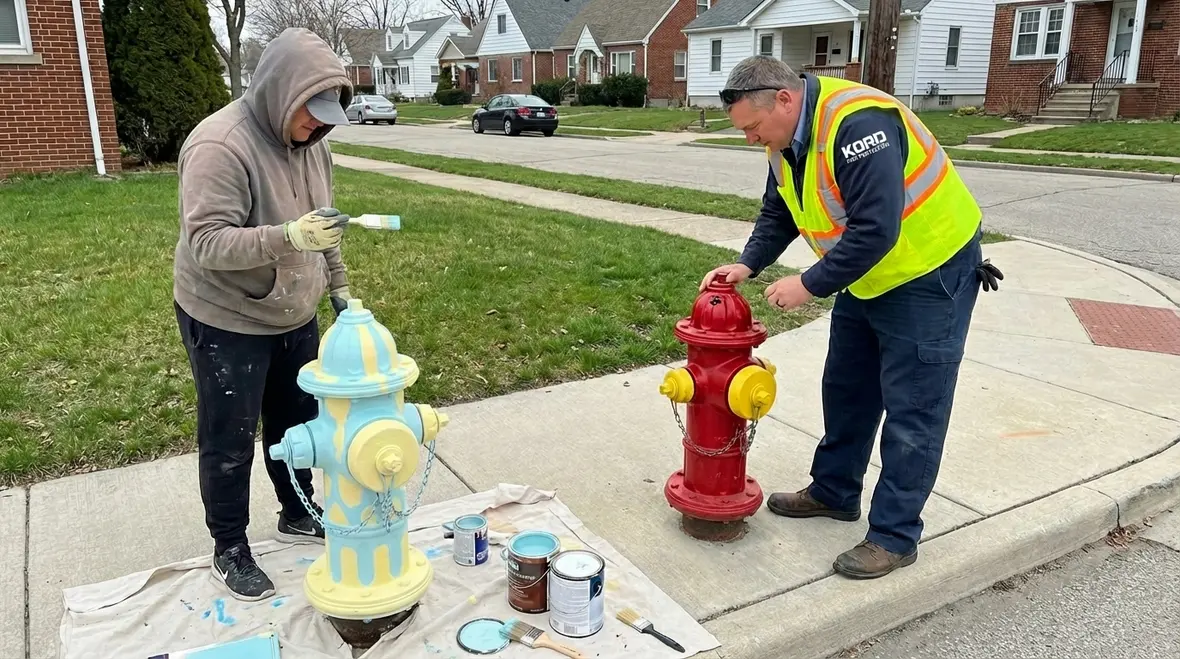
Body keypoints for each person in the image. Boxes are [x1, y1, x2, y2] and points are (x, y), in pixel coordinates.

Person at [701, 56, 1003, 580]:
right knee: (847, 389)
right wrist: (749, 263)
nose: (750, 139)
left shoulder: (859, 124)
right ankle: (835, 491)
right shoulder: (784, 141)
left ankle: (894, 536)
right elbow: (781, 210)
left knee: (915, 412)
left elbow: (876, 228)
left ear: (785, 100)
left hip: (928, 274)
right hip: (866, 275)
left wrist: (809, 283)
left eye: (753, 128)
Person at [172, 27, 358, 601]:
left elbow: (320, 224)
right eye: (312, 112)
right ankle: (229, 547)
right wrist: (287, 236)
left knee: (298, 425)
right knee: (230, 440)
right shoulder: (219, 145)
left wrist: (341, 291)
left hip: (293, 311)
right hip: (228, 317)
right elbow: (206, 243)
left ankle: (297, 510)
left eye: (328, 116)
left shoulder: (315, 142)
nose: (318, 125)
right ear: (282, 91)